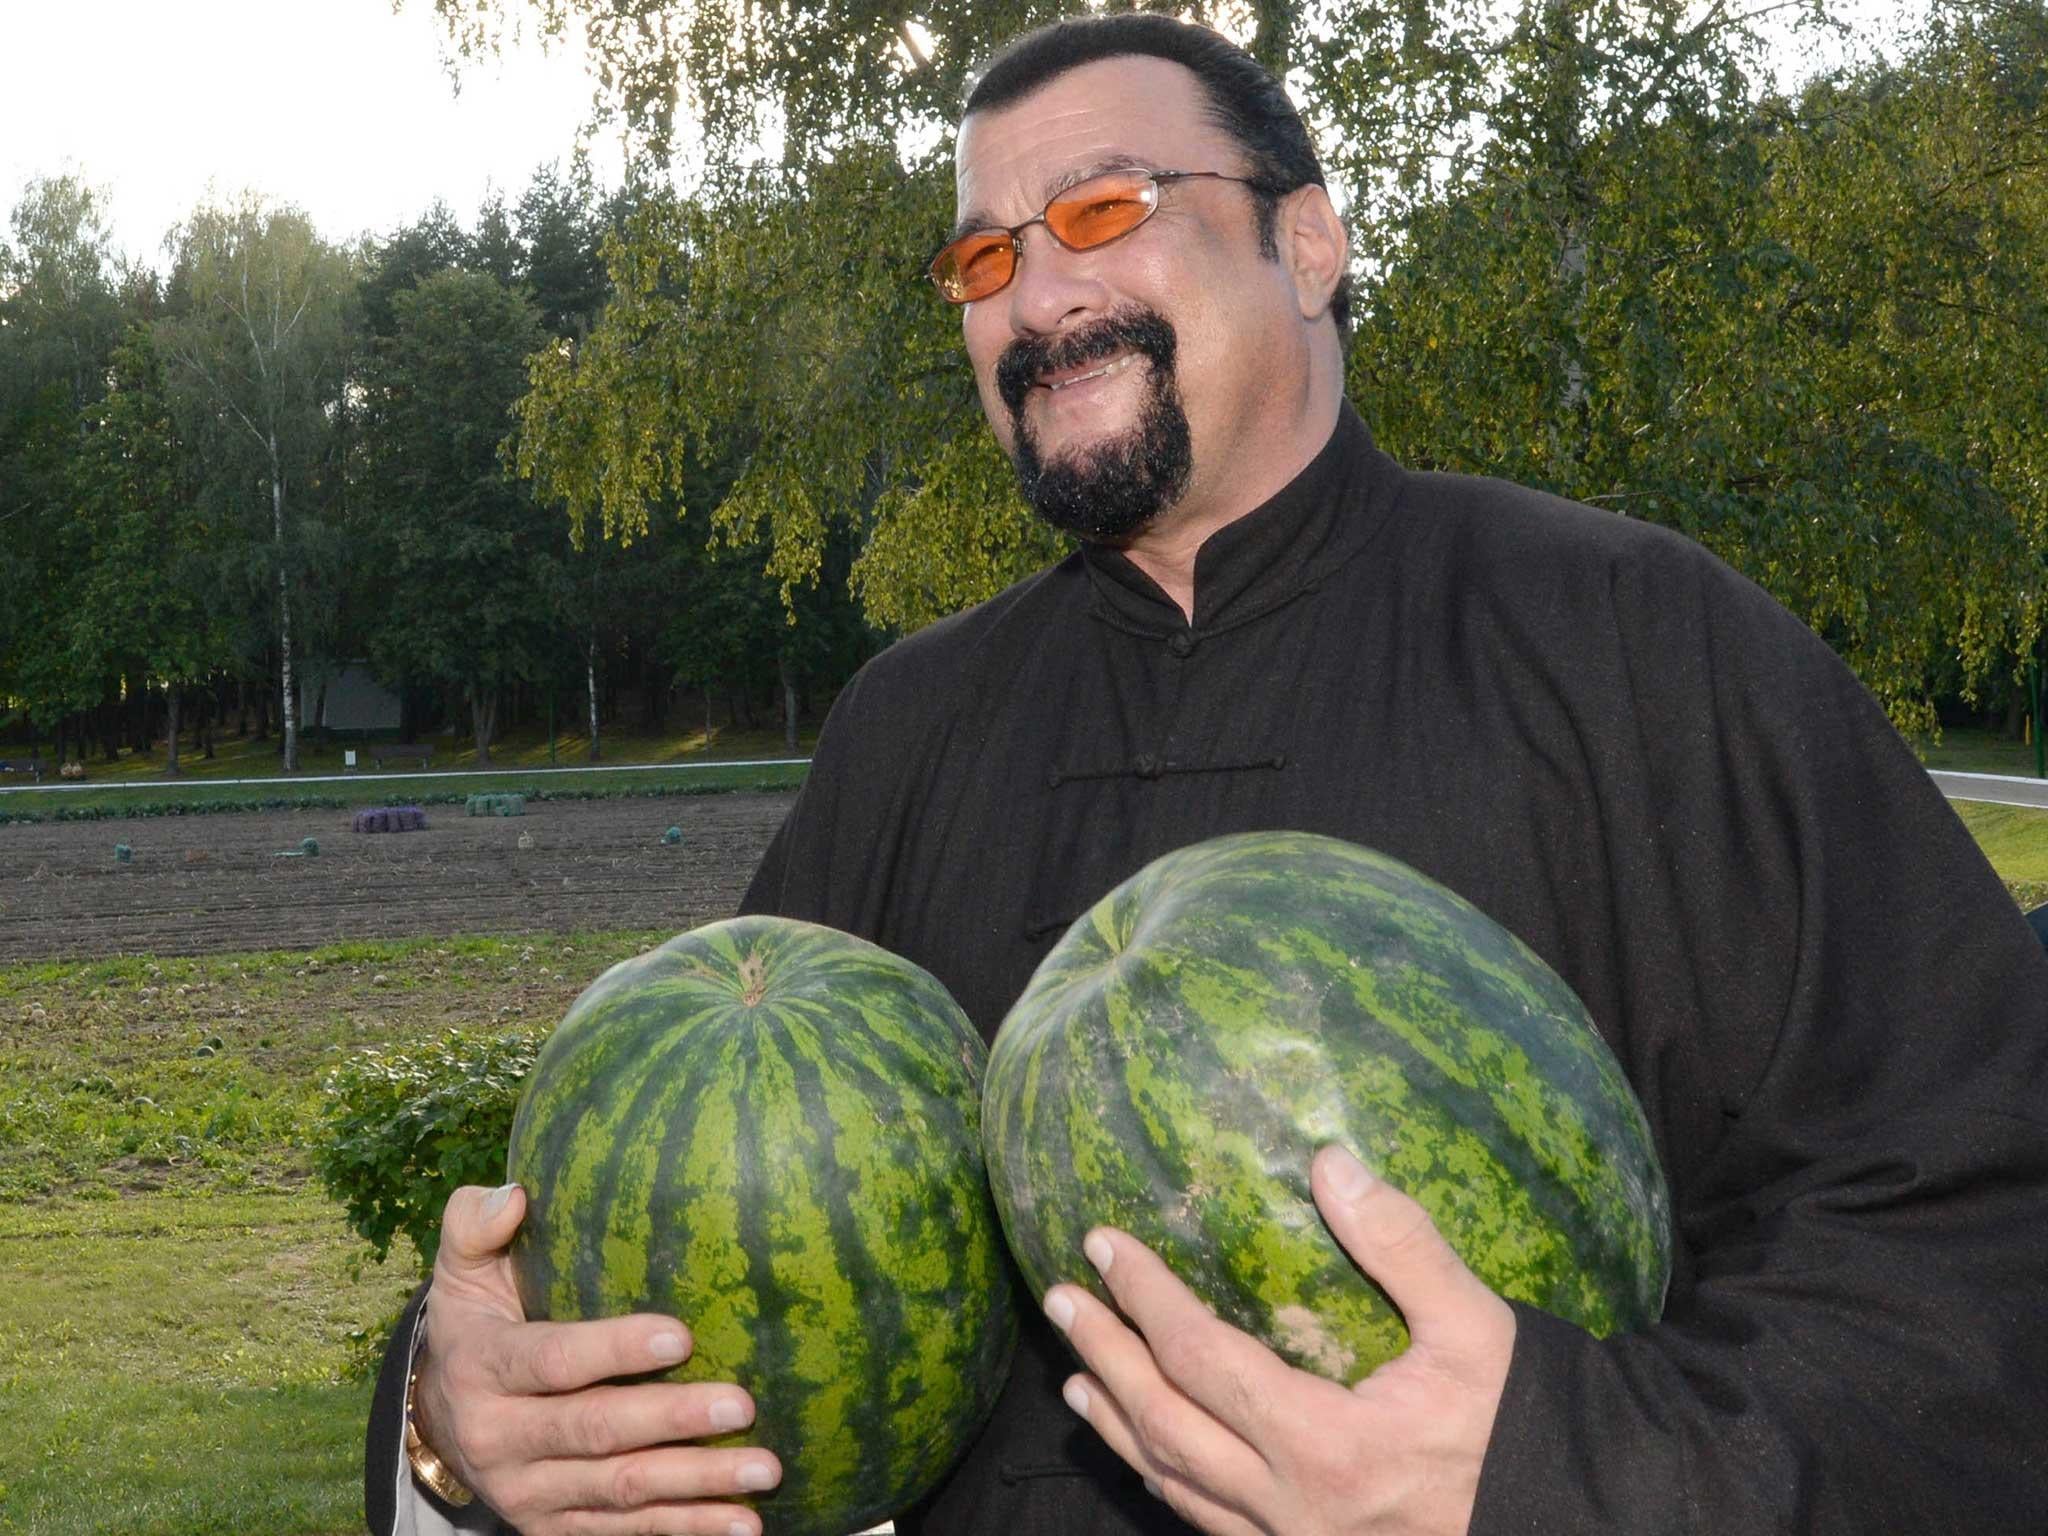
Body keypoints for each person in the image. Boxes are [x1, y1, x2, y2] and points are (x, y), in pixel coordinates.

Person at [366, 14, 2048, 1535]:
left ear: (1307, 242)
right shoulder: (908, 731)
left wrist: (1557, 1470)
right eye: (980, 260)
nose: (1035, 297)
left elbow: (1975, 1238)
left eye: (1104, 213)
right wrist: (460, 1422)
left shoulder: (1636, 641)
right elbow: (698, 1262)